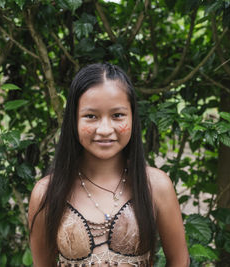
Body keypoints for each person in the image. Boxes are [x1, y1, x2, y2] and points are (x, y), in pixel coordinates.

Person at [28, 63, 189, 266]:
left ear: (133, 117)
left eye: (117, 115)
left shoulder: (156, 185)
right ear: (73, 120)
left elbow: (179, 261)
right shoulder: (46, 193)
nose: (104, 129)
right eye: (91, 116)